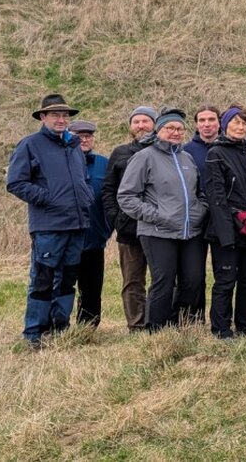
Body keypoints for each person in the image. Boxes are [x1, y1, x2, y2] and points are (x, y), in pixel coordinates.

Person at [6, 94, 94, 347]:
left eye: (65, 115)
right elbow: (15, 182)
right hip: (48, 226)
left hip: (76, 225)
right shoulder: (30, 145)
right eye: (55, 114)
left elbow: (82, 180)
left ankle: (60, 328)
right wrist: (48, 198)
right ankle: (34, 333)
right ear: (43, 117)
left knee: (67, 279)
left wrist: (85, 198)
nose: (61, 119)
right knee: (43, 279)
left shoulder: (73, 145)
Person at [117, 108, 208, 331]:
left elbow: (199, 192)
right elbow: (126, 196)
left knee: (193, 281)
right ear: (159, 130)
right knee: (163, 281)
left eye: (179, 129)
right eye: (170, 128)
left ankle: (179, 324)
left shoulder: (186, 158)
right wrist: (156, 216)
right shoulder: (144, 157)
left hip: (190, 231)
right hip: (157, 232)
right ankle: (155, 328)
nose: (175, 132)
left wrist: (199, 210)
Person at [206, 106, 246, 339]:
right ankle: (221, 329)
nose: (240, 127)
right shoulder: (216, 153)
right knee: (225, 281)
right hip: (228, 231)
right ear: (225, 125)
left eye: (244, 124)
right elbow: (216, 197)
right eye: (236, 123)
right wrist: (226, 235)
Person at [102, 105, 157, 332]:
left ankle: (157, 321)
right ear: (130, 126)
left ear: (155, 124)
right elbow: (108, 190)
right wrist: (117, 219)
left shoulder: (164, 151)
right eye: (137, 122)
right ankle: (136, 324)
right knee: (133, 280)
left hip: (158, 227)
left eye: (146, 121)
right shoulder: (120, 153)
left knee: (163, 278)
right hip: (129, 229)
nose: (141, 125)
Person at [71, 120, 112, 327]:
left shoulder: (104, 163)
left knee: (92, 287)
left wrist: (108, 227)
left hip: (95, 235)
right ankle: (58, 325)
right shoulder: (61, 162)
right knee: (63, 284)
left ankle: (88, 328)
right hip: (67, 235)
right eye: (79, 136)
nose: (84, 140)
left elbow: (113, 197)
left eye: (88, 136)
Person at [182, 103, 220, 319]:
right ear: (196, 124)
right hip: (195, 220)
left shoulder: (228, 147)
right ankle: (193, 318)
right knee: (193, 275)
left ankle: (220, 317)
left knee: (222, 273)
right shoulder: (186, 151)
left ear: (219, 122)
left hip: (221, 221)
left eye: (211, 120)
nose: (207, 124)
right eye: (202, 120)